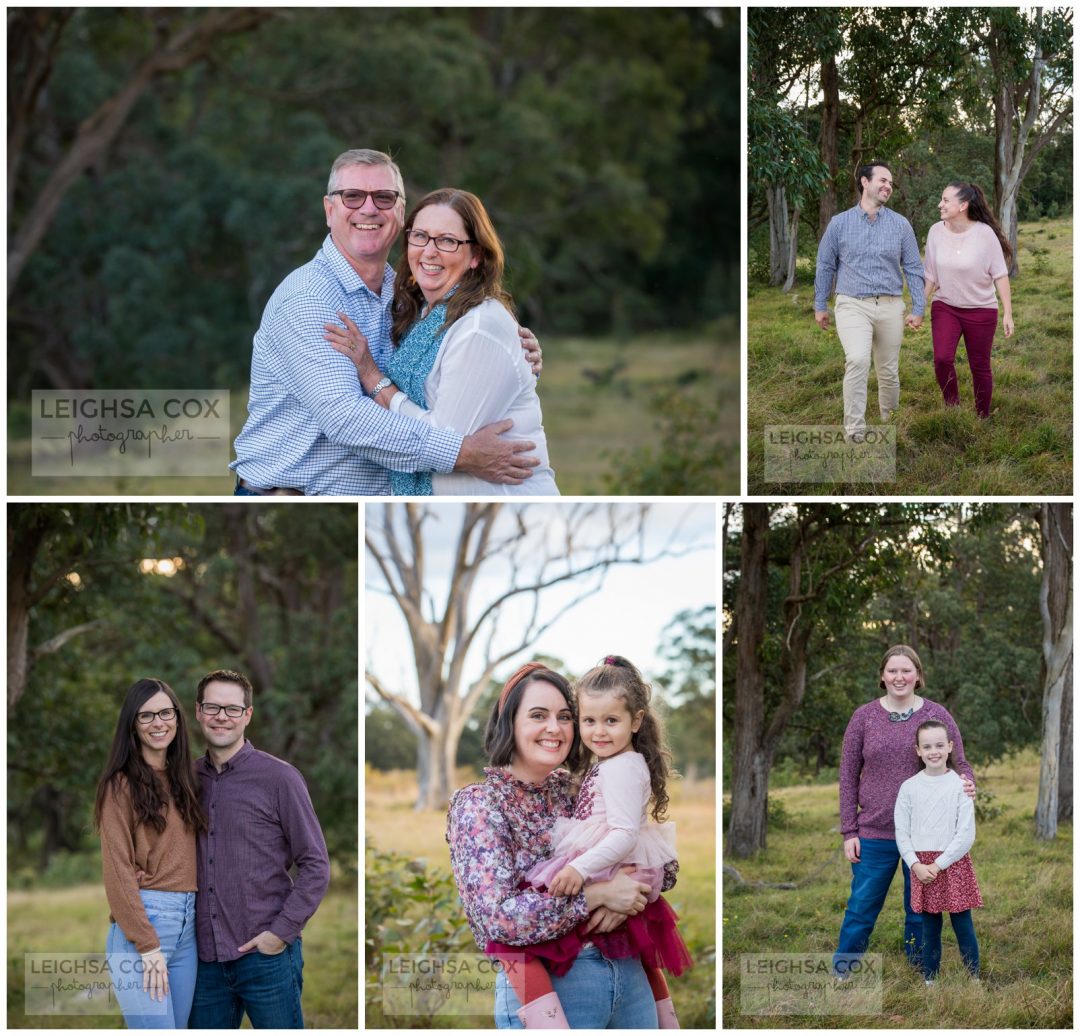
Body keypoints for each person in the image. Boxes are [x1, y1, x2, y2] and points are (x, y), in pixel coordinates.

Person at [231, 148, 543, 495]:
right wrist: (461, 453)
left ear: (400, 212)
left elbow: (451, 372)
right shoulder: (309, 300)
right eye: (352, 196)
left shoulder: (409, 298)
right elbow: (345, 419)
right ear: (329, 210)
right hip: (296, 500)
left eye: (383, 197)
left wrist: (512, 355)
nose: (368, 208)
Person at [447, 662, 680, 1028]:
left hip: (629, 971)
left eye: (565, 716)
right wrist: (596, 897)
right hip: (557, 984)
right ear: (510, 723)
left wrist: (628, 888)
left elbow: (664, 866)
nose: (554, 728)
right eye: (538, 715)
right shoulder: (479, 803)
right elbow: (499, 921)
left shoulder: (575, 785)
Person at [323, 188, 559, 495]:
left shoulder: (478, 327)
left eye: (448, 241)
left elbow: (443, 443)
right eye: (420, 236)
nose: (429, 251)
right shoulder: (420, 311)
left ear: (476, 255)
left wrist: (373, 378)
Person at [188, 669, 330, 1029]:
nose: (222, 716)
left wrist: (279, 934)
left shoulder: (279, 778)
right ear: (198, 711)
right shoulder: (185, 781)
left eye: (233, 709)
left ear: (247, 715)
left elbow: (315, 863)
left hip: (265, 956)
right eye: (213, 706)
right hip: (204, 961)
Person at [834, 645, 975, 977]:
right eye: (893, 671)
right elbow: (847, 775)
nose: (900, 677)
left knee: (920, 909)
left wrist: (968, 782)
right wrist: (849, 830)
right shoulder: (863, 717)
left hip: (926, 834)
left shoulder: (936, 715)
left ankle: (918, 967)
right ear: (883, 676)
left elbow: (960, 762)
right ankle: (843, 970)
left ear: (918, 675)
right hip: (874, 832)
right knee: (861, 907)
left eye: (906, 670)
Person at [94, 678, 205, 1028]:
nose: (158, 723)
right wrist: (147, 945)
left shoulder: (187, 778)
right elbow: (117, 867)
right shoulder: (120, 785)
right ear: (133, 725)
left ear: (177, 717)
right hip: (145, 926)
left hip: (189, 928)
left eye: (165, 712)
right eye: (146, 716)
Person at [814, 162, 926, 438]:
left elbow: (913, 267)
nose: (888, 186)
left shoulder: (901, 225)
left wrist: (919, 307)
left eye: (891, 183)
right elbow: (825, 264)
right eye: (883, 180)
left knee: (888, 369)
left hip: (890, 305)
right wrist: (820, 304)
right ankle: (855, 429)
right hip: (852, 303)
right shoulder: (839, 223)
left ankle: (891, 420)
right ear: (864, 182)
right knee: (857, 359)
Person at [894, 720, 982, 985]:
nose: (934, 751)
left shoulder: (960, 785)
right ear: (918, 751)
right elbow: (902, 831)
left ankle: (973, 977)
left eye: (940, 745)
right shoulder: (909, 787)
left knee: (962, 924)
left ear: (950, 747)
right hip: (921, 865)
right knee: (929, 926)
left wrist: (939, 864)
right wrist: (915, 865)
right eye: (927, 746)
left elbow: (966, 834)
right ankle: (930, 979)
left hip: (952, 864)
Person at [923, 182, 1014, 418]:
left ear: (962, 205)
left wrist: (1008, 313)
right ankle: (952, 408)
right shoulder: (935, 232)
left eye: (945, 200)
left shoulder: (984, 234)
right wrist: (918, 307)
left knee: (980, 366)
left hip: (981, 309)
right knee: (942, 359)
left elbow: (1000, 274)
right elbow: (930, 274)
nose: (939, 204)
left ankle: (982, 416)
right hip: (945, 306)